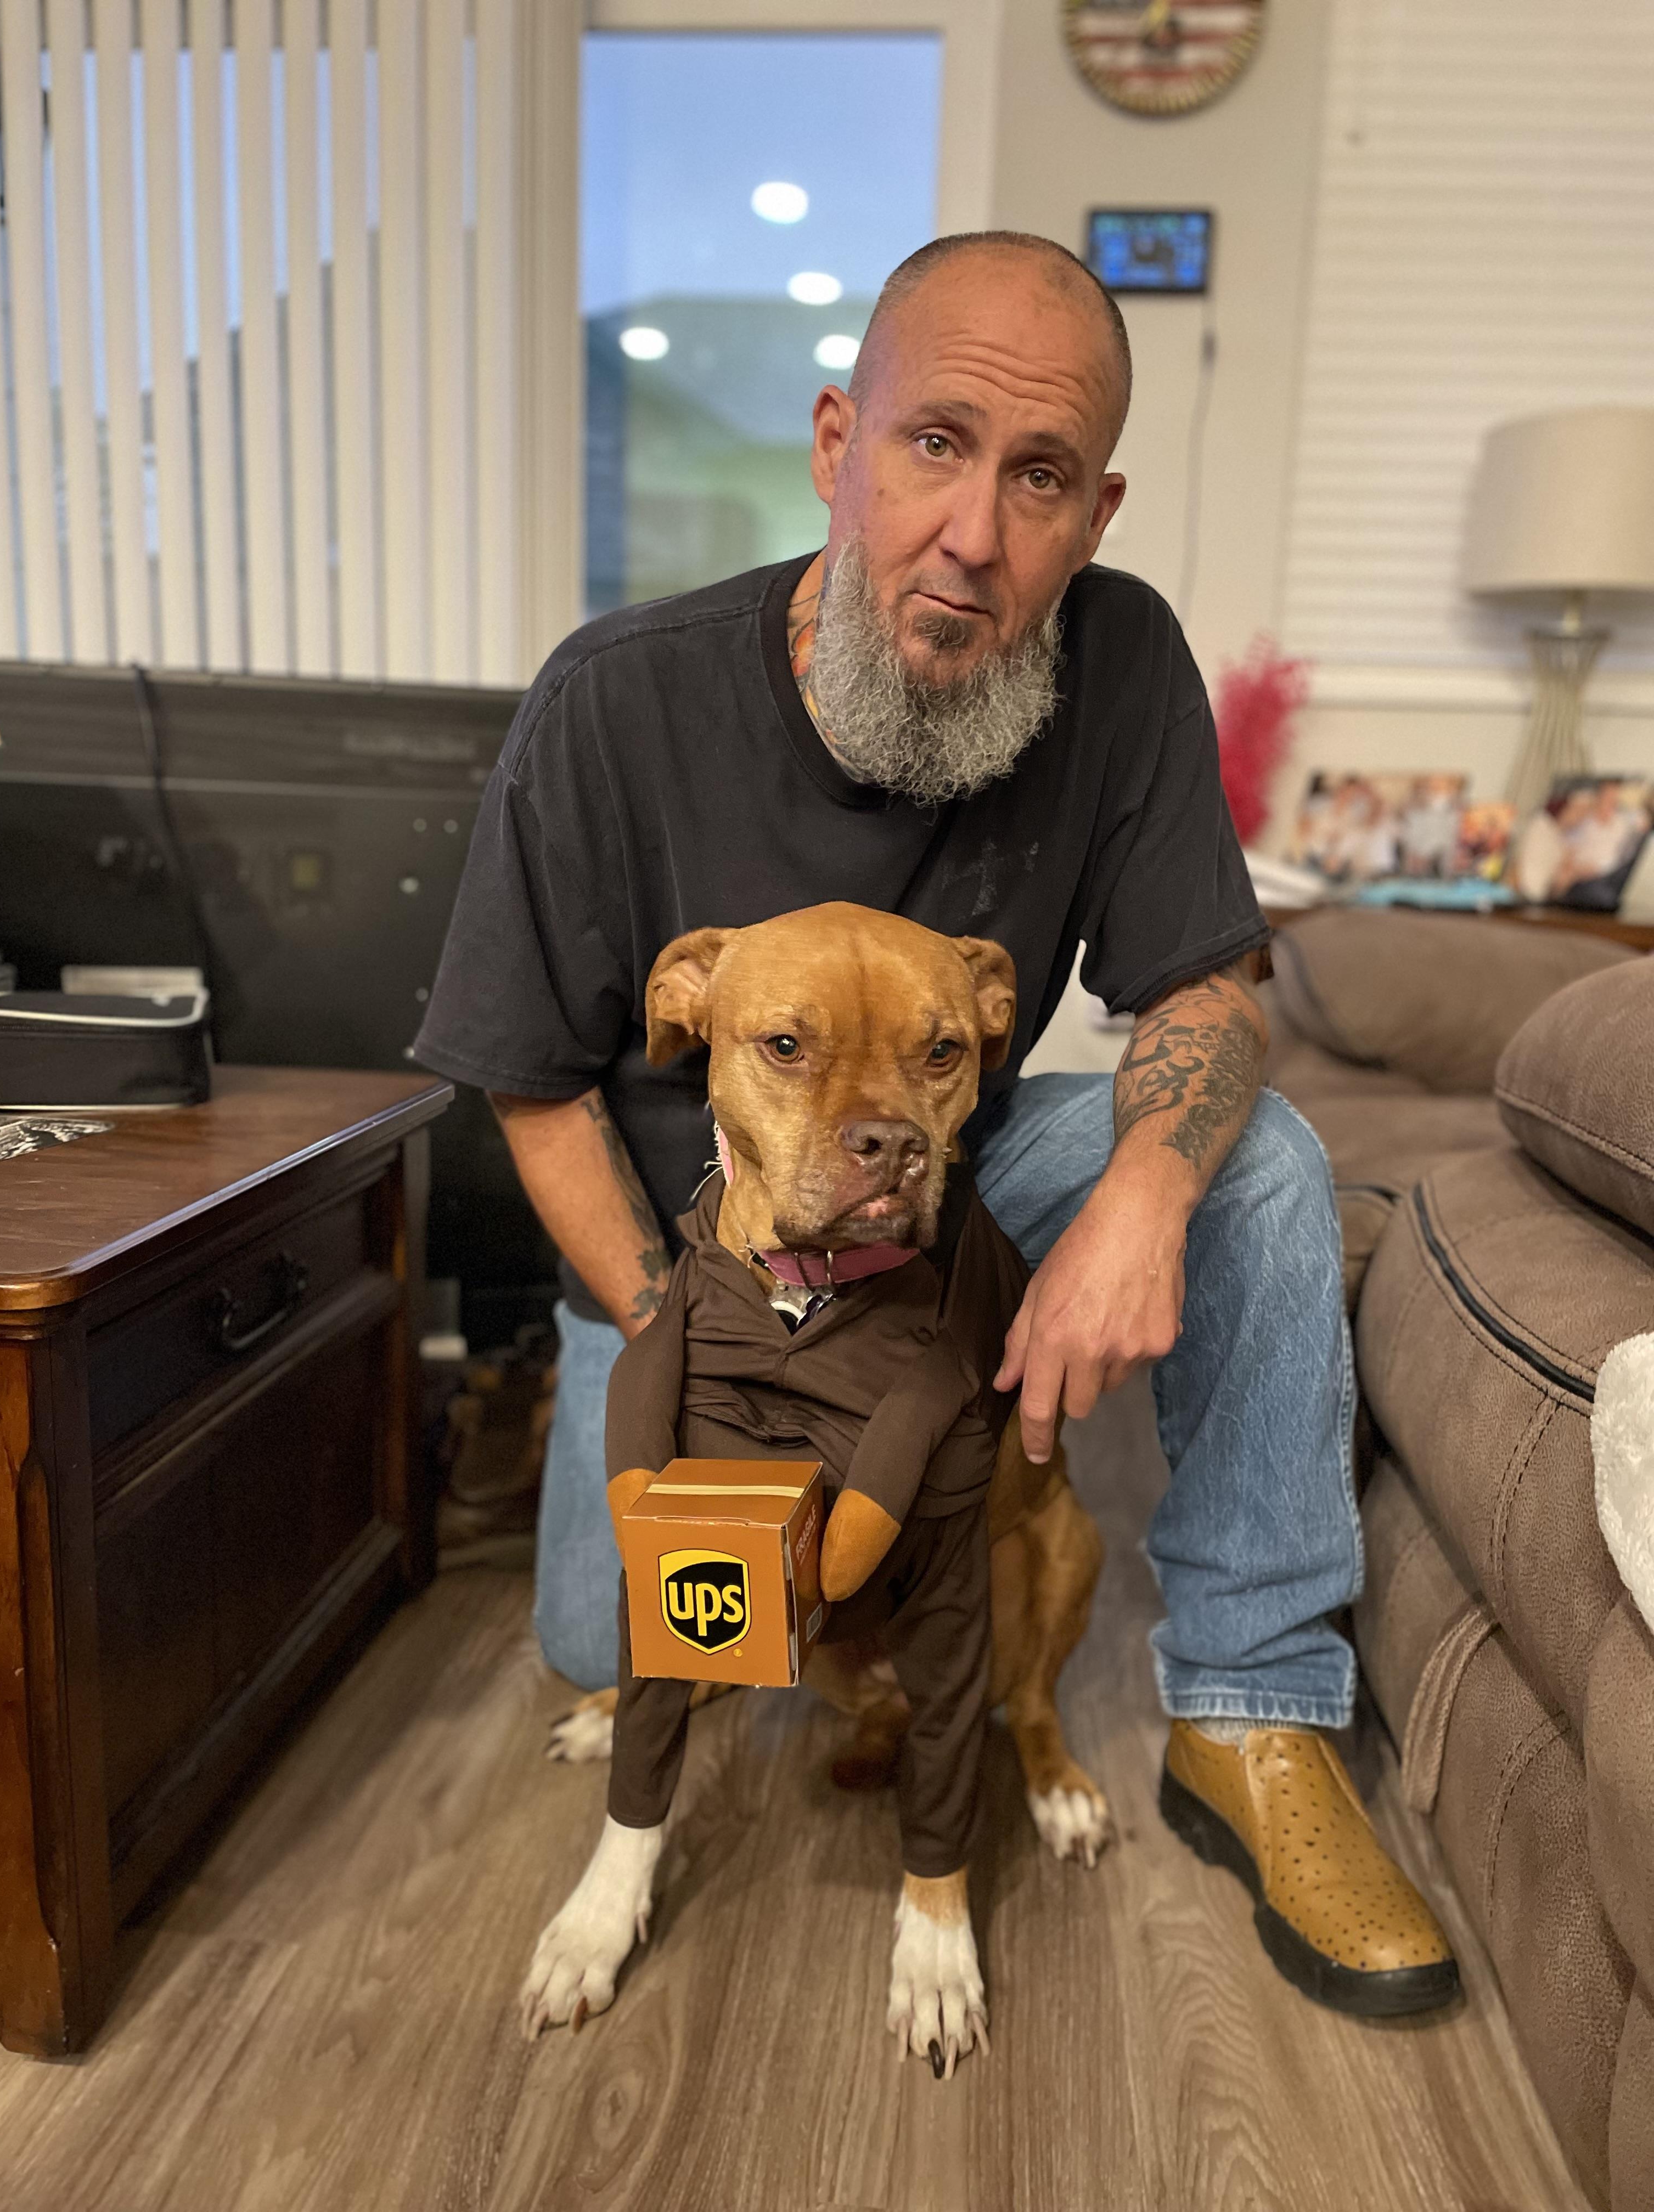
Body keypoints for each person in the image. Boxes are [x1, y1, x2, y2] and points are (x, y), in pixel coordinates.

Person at [414, 230, 1459, 2017]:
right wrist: (698, 1337)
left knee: (1258, 1164)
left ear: (1096, 510)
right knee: (627, 1635)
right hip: (689, 1248)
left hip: (958, 1196)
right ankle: (746, 1610)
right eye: (934, 445)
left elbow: (1209, 993)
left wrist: (1139, 1196)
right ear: (839, 444)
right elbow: (529, 1079)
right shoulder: (621, 700)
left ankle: (1252, 1713)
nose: (977, 531)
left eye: (1038, 476)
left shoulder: (1115, 669)